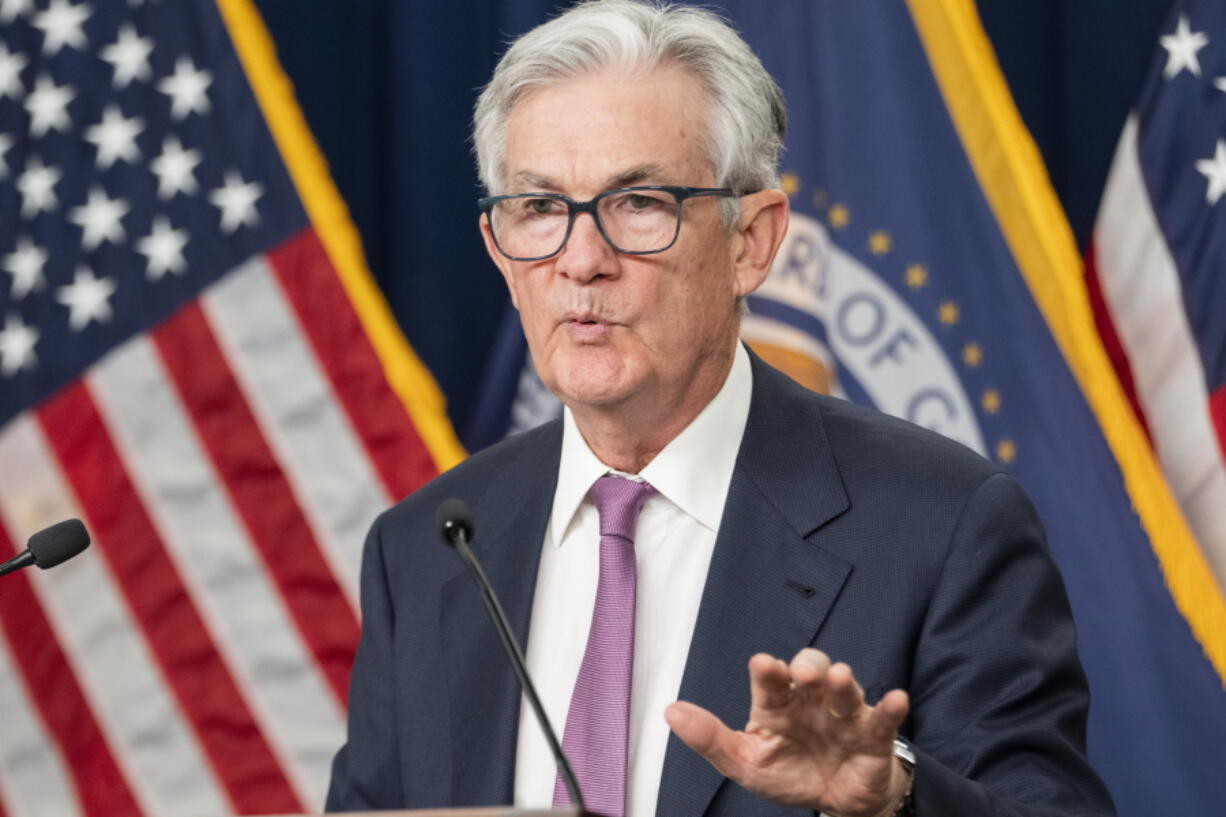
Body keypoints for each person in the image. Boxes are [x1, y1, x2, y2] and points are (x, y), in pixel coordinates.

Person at [327, 2, 1116, 816]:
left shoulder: (944, 526)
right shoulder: (425, 551)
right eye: (540, 208)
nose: (581, 261)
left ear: (752, 242)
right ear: (499, 247)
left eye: (639, 203)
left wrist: (895, 800)